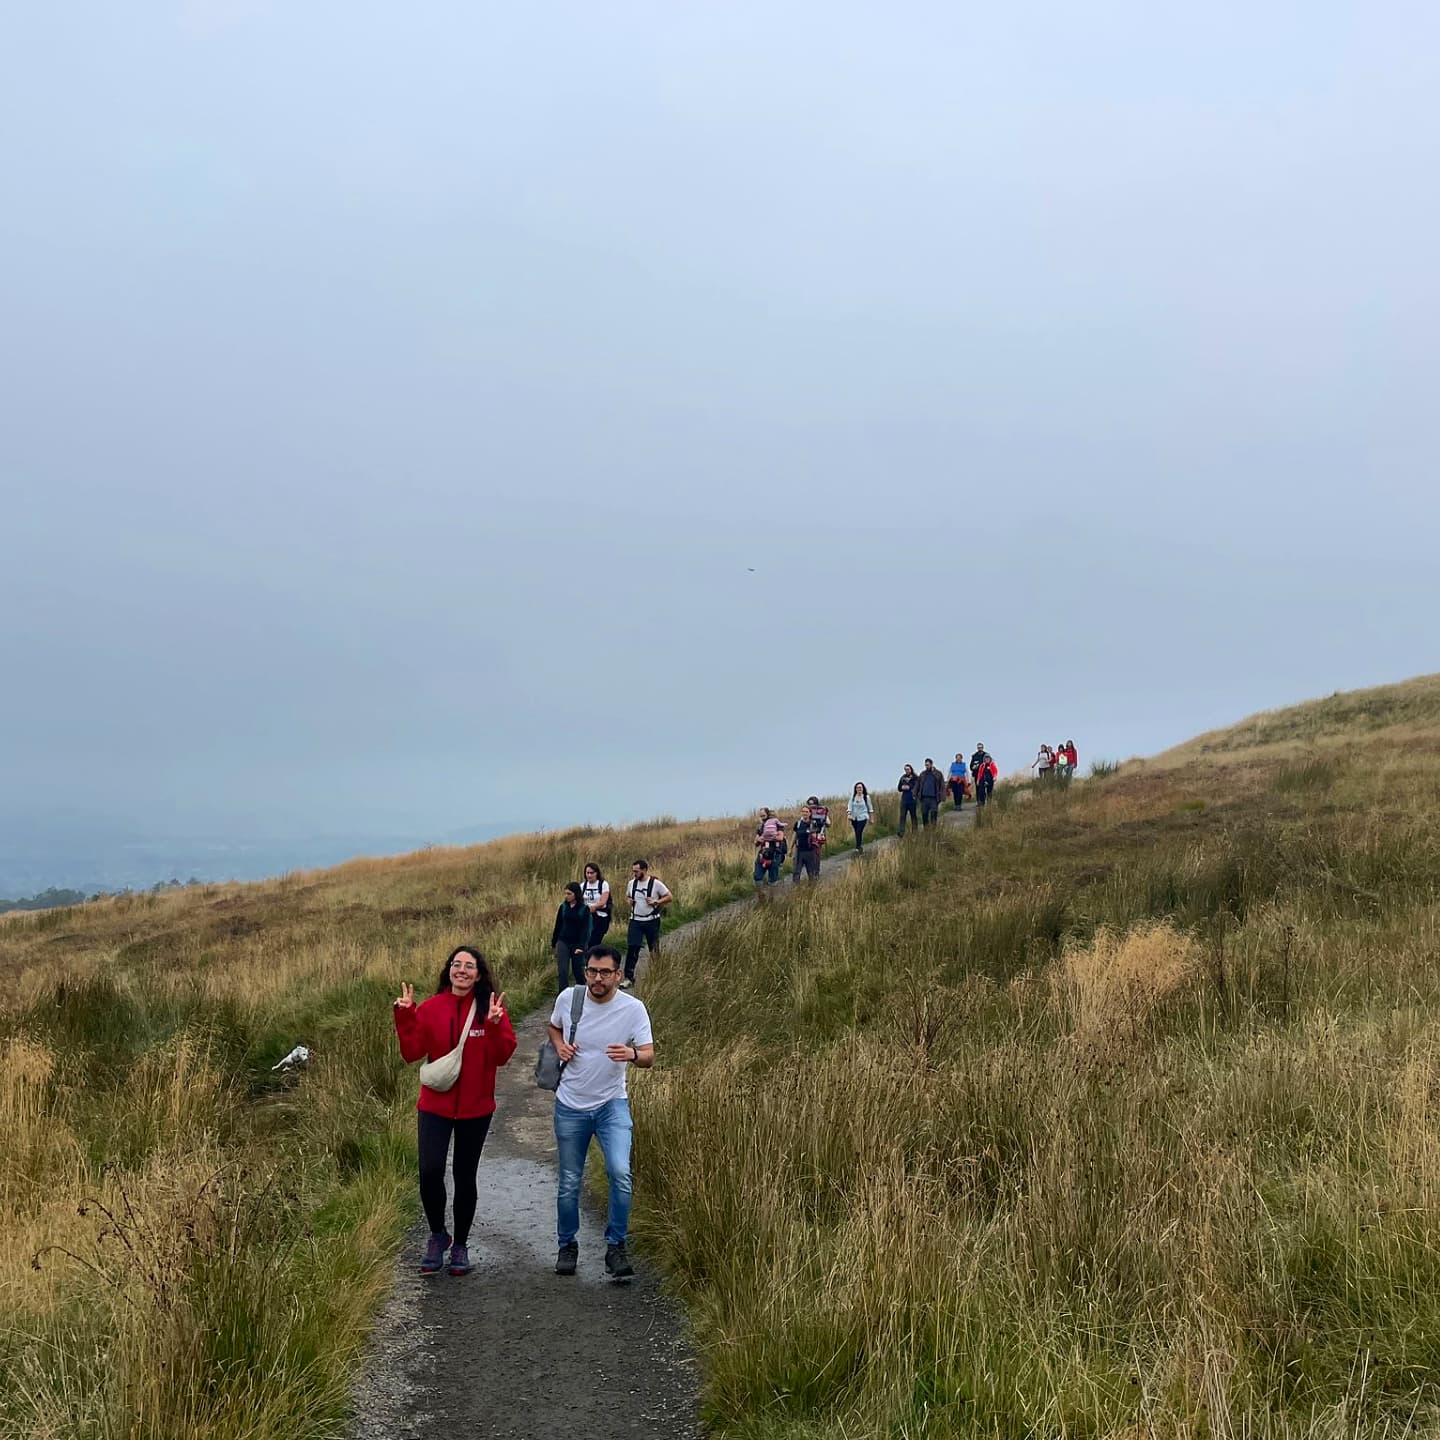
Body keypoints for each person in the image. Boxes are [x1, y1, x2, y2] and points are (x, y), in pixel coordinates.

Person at [393, 946, 516, 1277]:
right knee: (430, 1171)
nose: (462, 970)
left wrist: (494, 1025)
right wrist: (405, 1016)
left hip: (476, 1109)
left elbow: (503, 1056)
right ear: (449, 971)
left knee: (465, 1176)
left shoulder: (490, 1009)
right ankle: (438, 1235)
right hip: (435, 1105)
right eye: (456, 964)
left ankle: (460, 1244)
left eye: (469, 966)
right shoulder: (432, 1008)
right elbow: (411, 1053)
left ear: (478, 974)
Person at [548, 944, 655, 1280]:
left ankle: (616, 1246)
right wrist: (559, 1045)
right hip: (570, 1104)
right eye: (592, 971)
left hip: (612, 1104)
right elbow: (553, 1027)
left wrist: (631, 1054)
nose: (597, 978)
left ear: (618, 975)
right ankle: (567, 1245)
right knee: (569, 1181)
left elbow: (649, 1055)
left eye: (604, 973)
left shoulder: (633, 1009)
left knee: (620, 1172)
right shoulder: (569, 998)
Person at [623, 859, 672, 989]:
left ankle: (658, 974)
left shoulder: (655, 883)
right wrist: (629, 901)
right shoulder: (631, 883)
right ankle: (628, 977)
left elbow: (669, 897)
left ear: (644, 870)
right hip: (635, 920)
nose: (634, 874)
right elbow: (627, 896)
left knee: (653, 948)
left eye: (636, 871)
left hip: (651, 920)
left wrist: (657, 902)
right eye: (633, 871)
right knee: (632, 947)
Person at [551, 882, 593, 992]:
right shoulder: (563, 907)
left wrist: (581, 946)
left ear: (576, 894)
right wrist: (554, 943)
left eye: (569, 894)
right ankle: (562, 995)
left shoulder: (584, 909)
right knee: (563, 971)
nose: (566, 896)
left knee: (577, 971)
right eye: (565, 893)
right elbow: (558, 925)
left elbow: (585, 930)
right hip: (563, 941)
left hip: (577, 943)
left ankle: (583, 992)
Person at [581, 862, 611, 949]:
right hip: (587, 917)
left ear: (596, 873)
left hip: (600, 917)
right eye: (587, 873)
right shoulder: (582, 886)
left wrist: (594, 907)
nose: (589, 875)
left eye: (592, 873)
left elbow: (603, 901)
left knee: (595, 941)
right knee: (586, 940)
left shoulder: (603, 884)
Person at [754, 808, 786, 888]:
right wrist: (758, 839)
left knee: (773, 880)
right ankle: (761, 894)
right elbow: (756, 842)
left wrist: (766, 837)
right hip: (763, 854)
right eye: (761, 816)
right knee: (757, 876)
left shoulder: (778, 825)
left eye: (764, 816)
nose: (762, 818)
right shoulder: (761, 826)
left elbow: (780, 837)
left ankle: (772, 894)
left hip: (775, 854)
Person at [792, 804, 821, 882]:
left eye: (806, 812)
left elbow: (815, 836)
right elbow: (794, 836)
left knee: (811, 872)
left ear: (810, 813)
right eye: (803, 811)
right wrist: (791, 848)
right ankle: (796, 887)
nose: (804, 813)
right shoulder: (798, 823)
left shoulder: (813, 823)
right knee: (796, 871)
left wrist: (811, 832)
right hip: (799, 850)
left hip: (810, 851)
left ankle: (812, 887)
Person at [917, 758, 946, 827]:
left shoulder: (938, 773)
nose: (926, 766)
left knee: (933, 814)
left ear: (931, 764)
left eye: (928, 765)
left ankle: (933, 829)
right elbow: (918, 784)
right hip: (924, 797)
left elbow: (942, 785)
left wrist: (942, 797)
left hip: (934, 798)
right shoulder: (923, 774)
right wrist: (915, 794)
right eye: (926, 765)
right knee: (924, 814)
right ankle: (926, 829)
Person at [847, 782, 873, 851]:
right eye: (857, 788)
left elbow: (870, 808)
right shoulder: (853, 797)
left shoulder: (866, 797)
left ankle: (858, 846)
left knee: (859, 831)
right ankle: (859, 845)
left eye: (860, 787)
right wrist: (849, 814)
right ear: (855, 789)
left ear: (863, 788)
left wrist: (871, 818)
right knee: (856, 832)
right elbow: (849, 806)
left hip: (863, 817)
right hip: (854, 817)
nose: (859, 789)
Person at [897, 764, 920, 836]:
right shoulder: (903, 777)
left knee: (913, 816)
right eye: (905, 769)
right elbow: (899, 788)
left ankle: (915, 831)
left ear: (911, 769)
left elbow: (917, 786)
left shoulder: (915, 777)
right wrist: (902, 787)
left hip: (912, 799)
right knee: (902, 816)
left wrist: (909, 787)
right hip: (904, 799)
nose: (907, 771)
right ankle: (901, 832)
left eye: (908, 769)